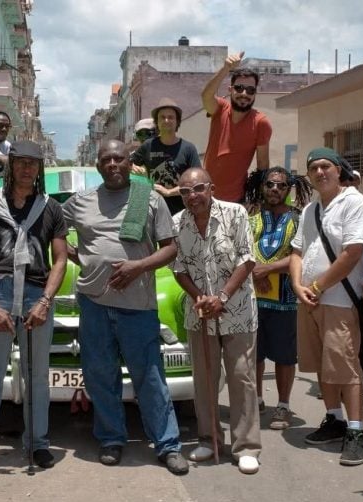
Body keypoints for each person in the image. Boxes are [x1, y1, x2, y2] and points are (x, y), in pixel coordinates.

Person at [62, 139, 189, 475]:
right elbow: (54, 231)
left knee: (149, 377)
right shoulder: (81, 202)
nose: (113, 164)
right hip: (95, 304)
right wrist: (83, 258)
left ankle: (167, 445)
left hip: (138, 305)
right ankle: (111, 439)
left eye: (119, 158)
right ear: (98, 164)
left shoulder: (148, 198)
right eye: (107, 159)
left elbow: (170, 248)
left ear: (127, 162)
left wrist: (139, 266)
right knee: (100, 375)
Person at [0, 141, 68, 473]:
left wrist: (46, 302)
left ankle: (37, 444)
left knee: (36, 376)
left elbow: (60, 259)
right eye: (20, 162)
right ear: (11, 167)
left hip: (37, 294)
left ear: (39, 170)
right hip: (0, 292)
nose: (26, 169)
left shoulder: (50, 209)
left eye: (33, 164)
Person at [172, 167, 261, 474]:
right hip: (200, 314)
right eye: (185, 192)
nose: (192, 197)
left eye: (197, 189)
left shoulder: (235, 214)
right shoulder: (177, 223)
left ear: (211, 188)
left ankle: (246, 446)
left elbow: (247, 259)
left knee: (241, 376)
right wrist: (200, 297)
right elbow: (178, 268)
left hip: (236, 310)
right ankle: (209, 439)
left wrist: (220, 297)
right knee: (204, 378)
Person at [289, 147, 363, 466]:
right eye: (314, 168)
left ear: (339, 170)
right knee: (323, 364)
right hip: (309, 299)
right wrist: (298, 286)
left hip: (338, 300)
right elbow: (297, 252)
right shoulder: (310, 209)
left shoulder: (353, 202)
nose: (320, 172)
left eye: (326, 166)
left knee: (345, 366)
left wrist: (317, 286)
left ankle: (356, 431)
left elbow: (352, 252)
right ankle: (334, 419)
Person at [247, 166, 311, 429]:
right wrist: (255, 271)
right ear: (262, 186)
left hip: (285, 300)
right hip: (252, 297)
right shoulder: (249, 217)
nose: (275, 189)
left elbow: (302, 255)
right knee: (255, 354)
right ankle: (257, 399)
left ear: (289, 189)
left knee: (285, 356)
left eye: (281, 186)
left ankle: (283, 406)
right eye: (270, 184)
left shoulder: (298, 219)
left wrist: (269, 268)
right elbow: (240, 247)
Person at [201, 51, 272, 203]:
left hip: (235, 201)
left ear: (255, 93)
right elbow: (206, 96)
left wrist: (260, 202)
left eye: (250, 90)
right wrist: (226, 68)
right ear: (230, 89)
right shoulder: (219, 108)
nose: (244, 93)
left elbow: (263, 166)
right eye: (239, 88)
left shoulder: (260, 122)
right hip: (205, 197)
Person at [339, 167, 363, 409]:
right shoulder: (333, 205)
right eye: (347, 179)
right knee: (345, 343)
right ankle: (342, 386)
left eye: (353, 179)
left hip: (360, 284)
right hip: (339, 286)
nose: (350, 183)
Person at [130, 98, 201, 214]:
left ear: (178, 122)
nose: (166, 120)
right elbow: (126, 163)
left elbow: (196, 182)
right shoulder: (148, 145)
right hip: (153, 212)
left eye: (171, 117)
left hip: (181, 213)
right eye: (162, 117)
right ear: (157, 122)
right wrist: (132, 167)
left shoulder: (188, 148)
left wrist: (169, 192)